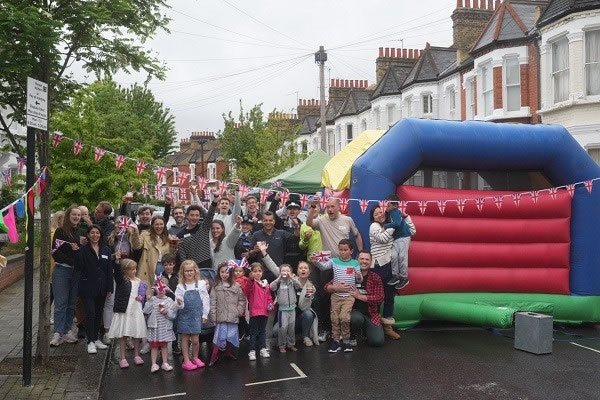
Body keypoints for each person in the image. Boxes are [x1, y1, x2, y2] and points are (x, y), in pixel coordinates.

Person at [306, 197, 363, 341]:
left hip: (347, 264)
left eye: (332, 207)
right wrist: (313, 207)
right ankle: (325, 329)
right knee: (324, 296)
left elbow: (357, 235)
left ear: (339, 207)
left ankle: (348, 332)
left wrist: (360, 254)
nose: (330, 210)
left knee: (348, 294)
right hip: (329, 264)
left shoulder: (347, 220)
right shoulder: (322, 220)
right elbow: (309, 223)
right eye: (328, 207)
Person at [313, 239, 362, 353]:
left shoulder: (355, 263)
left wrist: (358, 275)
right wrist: (316, 261)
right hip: (335, 295)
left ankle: (346, 341)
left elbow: (359, 280)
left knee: (344, 318)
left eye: (345, 250)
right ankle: (336, 341)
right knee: (334, 319)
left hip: (349, 296)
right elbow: (323, 267)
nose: (342, 252)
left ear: (351, 251)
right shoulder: (334, 261)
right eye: (340, 250)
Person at [75, 225, 113, 354]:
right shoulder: (83, 250)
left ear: (100, 235)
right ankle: (90, 341)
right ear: (88, 235)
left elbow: (109, 270)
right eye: (92, 233)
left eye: (97, 233)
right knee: (90, 314)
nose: (95, 235)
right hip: (87, 287)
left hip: (102, 287)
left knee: (98, 314)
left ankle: (96, 338)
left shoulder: (106, 250)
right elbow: (78, 268)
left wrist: (110, 287)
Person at [50, 206, 83, 347]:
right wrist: (71, 261)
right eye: (74, 214)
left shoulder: (80, 232)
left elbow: (80, 254)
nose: (76, 217)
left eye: (79, 215)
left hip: (75, 272)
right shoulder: (60, 231)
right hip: (62, 271)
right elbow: (55, 252)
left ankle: (67, 330)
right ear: (68, 215)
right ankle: (58, 332)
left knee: (71, 303)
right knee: (61, 303)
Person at [369, 205, 401, 340]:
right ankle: (373, 324)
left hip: (391, 265)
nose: (379, 215)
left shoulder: (387, 225)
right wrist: (395, 225)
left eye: (381, 212)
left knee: (389, 297)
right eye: (376, 214)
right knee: (376, 297)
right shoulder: (374, 227)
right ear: (373, 217)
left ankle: (388, 327)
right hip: (379, 266)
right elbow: (382, 239)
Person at [108, 259, 147, 368]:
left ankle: (137, 355)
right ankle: (122, 357)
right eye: (131, 269)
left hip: (136, 309)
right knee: (123, 334)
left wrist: (142, 297)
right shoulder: (121, 280)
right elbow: (117, 273)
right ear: (125, 271)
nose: (134, 271)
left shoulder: (139, 281)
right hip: (125, 310)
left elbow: (141, 294)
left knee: (137, 333)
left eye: (135, 269)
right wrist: (116, 261)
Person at [208, 263, 246, 366]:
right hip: (221, 317)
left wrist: (238, 311)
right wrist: (214, 317)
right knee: (219, 338)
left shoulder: (236, 286)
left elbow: (242, 300)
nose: (224, 274)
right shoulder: (216, 287)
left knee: (231, 336)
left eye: (227, 272)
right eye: (222, 272)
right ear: (219, 273)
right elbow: (212, 303)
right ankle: (214, 356)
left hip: (233, 316)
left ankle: (228, 352)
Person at [175, 260, 210, 371]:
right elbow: (177, 304)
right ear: (182, 272)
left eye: (191, 271)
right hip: (184, 317)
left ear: (195, 271)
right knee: (185, 339)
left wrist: (205, 314)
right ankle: (186, 360)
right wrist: (179, 303)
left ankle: (195, 357)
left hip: (196, 316)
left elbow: (205, 299)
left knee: (195, 340)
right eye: (186, 271)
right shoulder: (180, 287)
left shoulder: (201, 284)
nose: (189, 273)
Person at [177, 193, 218, 278]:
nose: (194, 217)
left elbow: (210, 214)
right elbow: (182, 256)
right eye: (192, 215)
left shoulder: (203, 227)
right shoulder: (180, 234)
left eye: (197, 215)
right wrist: (187, 269)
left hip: (206, 266)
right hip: (190, 269)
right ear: (187, 216)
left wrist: (215, 199)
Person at [348, 251, 385, 347]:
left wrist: (359, 296)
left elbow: (380, 298)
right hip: (353, 312)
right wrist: (334, 288)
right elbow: (328, 286)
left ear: (371, 262)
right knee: (356, 319)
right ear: (357, 260)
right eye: (361, 259)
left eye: (367, 259)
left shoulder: (376, 278)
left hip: (371, 314)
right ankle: (353, 335)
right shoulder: (348, 274)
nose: (364, 261)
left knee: (377, 341)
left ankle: (365, 330)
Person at [249, 211, 298, 282]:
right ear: (262, 222)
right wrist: (254, 251)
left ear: (274, 221)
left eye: (270, 220)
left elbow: (295, 238)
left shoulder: (281, 233)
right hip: (262, 273)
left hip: (278, 272)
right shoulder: (256, 235)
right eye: (265, 220)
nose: (268, 222)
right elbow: (250, 254)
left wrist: (296, 226)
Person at [144, 277, 178, 373]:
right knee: (154, 346)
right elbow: (146, 311)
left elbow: (173, 315)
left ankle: (165, 363)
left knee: (164, 346)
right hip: (154, 327)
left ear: (167, 288)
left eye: (163, 287)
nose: (161, 290)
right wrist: (149, 301)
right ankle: (154, 364)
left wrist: (167, 312)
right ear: (155, 288)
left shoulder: (170, 301)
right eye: (158, 287)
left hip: (164, 327)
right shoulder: (153, 299)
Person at [132, 216, 172, 295]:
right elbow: (136, 246)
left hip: (163, 268)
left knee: (162, 293)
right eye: (156, 224)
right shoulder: (145, 235)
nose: (159, 227)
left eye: (161, 224)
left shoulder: (168, 237)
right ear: (152, 225)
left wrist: (175, 246)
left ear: (164, 225)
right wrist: (135, 232)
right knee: (146, 294)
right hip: (147, 267)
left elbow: (171, 255)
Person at [385, 195, 416, 289]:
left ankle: (404, 278)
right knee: (394, 256)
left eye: (388, 205)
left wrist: (385, 225)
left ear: (395, 206)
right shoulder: (390, 213)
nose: (387, 207)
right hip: (396, 238)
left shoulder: (395, 212)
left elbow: (397, 224)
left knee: (402, 257)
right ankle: (395, 276)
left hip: (404, 236)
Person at [270, 264, 302, 353]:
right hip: (282, 310)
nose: (285, 272)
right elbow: (271, 287)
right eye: (283, 271)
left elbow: (299, 285)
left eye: (287, 271)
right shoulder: (279, 282)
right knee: (283, 329)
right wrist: (278, 278)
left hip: (292, 308)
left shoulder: (292, 281)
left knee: (291, 328)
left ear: (291, 272)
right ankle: (282, 345)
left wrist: (291, 277)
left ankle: (291, 344)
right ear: (280, 273)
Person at [269, 194, 304, 272]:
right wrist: (275, 200)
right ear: (287, 210)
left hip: (297, 259)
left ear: (299, 211)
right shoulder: (281, 223)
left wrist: (296, 227)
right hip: (282, 258)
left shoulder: (303, 225)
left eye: (295, 209)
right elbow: (271, 214)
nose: (292, 211)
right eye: (290, 209)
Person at [160, 253, 180, 354]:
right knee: (163, 325)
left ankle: (175, 345)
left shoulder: (178, 276)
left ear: (174, 265)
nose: (168, 267)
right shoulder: (160, 277)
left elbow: (179, 291)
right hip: (164, 303)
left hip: (174, 304)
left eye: (170, 264)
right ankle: (161, 345)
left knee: (175, 326)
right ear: (163, 265)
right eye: (166, 265)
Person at [296, 261, 319, 347]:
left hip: (301, 316)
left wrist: (308, 294)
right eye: (300, 268)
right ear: (297, 271)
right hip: (289, 314)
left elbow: (304, 307)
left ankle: (305, 336)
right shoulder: (291, 281)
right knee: (276, 331)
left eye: (305, 268)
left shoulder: (311, 287)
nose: (303, 270)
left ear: (309, 272)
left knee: (308, 314)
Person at [50, 211, 65, 317]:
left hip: (56, 265)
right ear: (59, 220)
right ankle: (49, 315)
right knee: (53, 293)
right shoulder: (54, 232)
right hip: (53, 265)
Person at [232, 263, 250, 340]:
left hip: (240, 301)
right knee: (241, 318)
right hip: (239, 301)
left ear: (243, 272)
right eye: (236, 271)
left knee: (240, 318)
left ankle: (242, 333)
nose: (238, 272)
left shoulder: (241, 280)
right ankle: (246, 332)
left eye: (240, 271)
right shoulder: (238, 279)